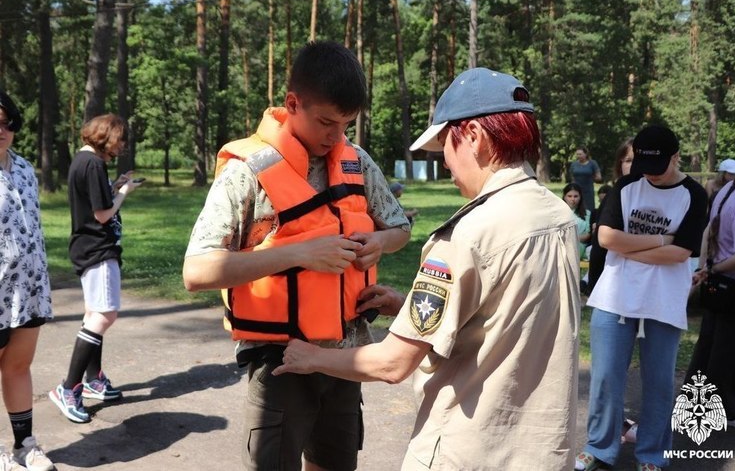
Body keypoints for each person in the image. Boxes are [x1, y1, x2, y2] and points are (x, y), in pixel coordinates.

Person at [274, 67, 581, 470]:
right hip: (539, 451)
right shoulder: (556, 215)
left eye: (445, 148)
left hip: (469, 449)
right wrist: (406, 306)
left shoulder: (466, 235)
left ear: (474, 136)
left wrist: (310, 357)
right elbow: (506, 317)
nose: (447, 165)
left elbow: (392, 363)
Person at [182, 41, 411, 471]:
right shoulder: (246, 173)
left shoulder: (356, 161)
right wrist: (300, 253)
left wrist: (380, 243)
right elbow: (196, 271)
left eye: (345, 125)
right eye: (326, 122)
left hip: (347, 355)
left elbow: (399, 228)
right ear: (292, 103)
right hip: (281, 359)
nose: (335, 136)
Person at [576, 125, 708, 471]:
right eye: (644, 168)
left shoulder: (693, 194)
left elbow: (682, 253)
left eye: (658, 167)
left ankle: (651, 453)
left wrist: (631, 247)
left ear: (676, 157)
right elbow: (605, 237)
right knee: (605, 376)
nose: (650, 175)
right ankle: (599, 447)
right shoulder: (626, 185)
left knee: (660, 381)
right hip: (615, 294)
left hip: (663, 299)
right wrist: (662, 240)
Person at [49, 114, 143, 424]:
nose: (122, 146)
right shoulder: (92, 164)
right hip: (97, 249)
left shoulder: (84, 161)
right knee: (104, 315)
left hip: (89, 247)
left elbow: (96, 201)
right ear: (106, 137)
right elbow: (103, 214)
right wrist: (124, 193)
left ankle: (93, 379)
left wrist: (115, 186)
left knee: (94, 314)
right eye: (120, 139)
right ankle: (69, 387)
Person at [0, 91, 55, 470]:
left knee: (19, 365)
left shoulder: (23, 168)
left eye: (6, 123)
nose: (1, 131)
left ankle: (24, 446)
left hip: (28, 288)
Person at [686, 141, 735, 428]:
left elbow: (709, 231)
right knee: (729, 350)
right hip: (734, 283)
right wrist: (713, 269)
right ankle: (725, 409)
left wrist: (706, 268)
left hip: (719, 280)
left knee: (709, 346)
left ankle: (696, 402)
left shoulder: (726, 191)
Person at [582, 138, 633, 296]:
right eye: (628, 160)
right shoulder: (613, 196)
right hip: (613, 280)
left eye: (639, 160)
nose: (634, 165)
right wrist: (594, 284)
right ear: (620, 164)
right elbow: (600, 244)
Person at [563, 182, 591, 260]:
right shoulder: (557, 213)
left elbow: (587, 235)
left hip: (579, 247)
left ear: (580, 197)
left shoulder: (587, 214)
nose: (573, 199)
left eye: (576, 196)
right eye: (569, 196)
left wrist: (572, 239)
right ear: (564, 197)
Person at [569, 146, 602, 210]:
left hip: (588, 191)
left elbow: (599, 177)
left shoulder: (592, 163)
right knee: (576, 208)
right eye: (577, 154)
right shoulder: (574, 164)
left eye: (580, 154)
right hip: (576, 190)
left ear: (586, 154)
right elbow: (572, 177)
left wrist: (590, 177)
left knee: (588, 209)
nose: (578, 156)